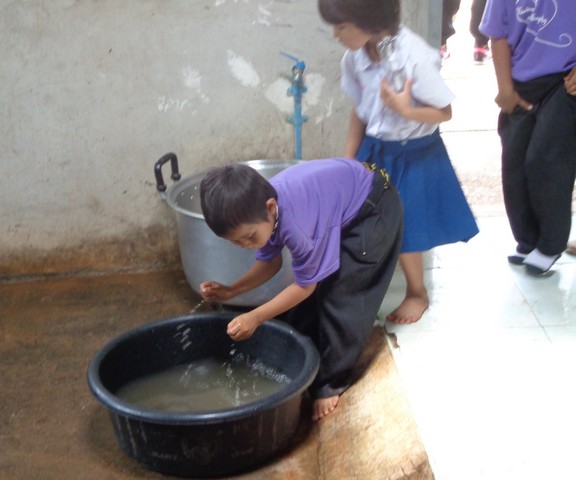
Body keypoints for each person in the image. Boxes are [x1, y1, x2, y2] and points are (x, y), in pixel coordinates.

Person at [198, 159, 403, 421]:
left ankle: (332, 382)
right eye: (235, 242)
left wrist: (256, 316)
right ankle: (303, 354)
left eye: (249, 237)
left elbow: (305, 287)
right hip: (346, 199)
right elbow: (269, 261)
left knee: (343, 297)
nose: (246, 245)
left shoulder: (296, 225)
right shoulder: (260, 208)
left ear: (270, 208)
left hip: (374, 210)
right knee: (307, 301)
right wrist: (231, 291)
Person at [318, 0, 479, 324]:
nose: (335, 34)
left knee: (410, 226)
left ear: (369, 20)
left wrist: (407, 111)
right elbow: (360, 110)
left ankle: (417, 293)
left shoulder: (414, 56)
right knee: (360, 218)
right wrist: (349, 160)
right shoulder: (354, 58)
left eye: (341, 26)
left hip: (416, 152)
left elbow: (444, 112)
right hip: (375, 149)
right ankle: (359, 284)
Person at [480, 0, 576, 276]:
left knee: (546, 161)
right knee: (515, 161)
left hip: (564, 84)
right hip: (520, 84)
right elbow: (497, 35)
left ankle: (550, 243)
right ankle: (528, 239)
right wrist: (505, 89)